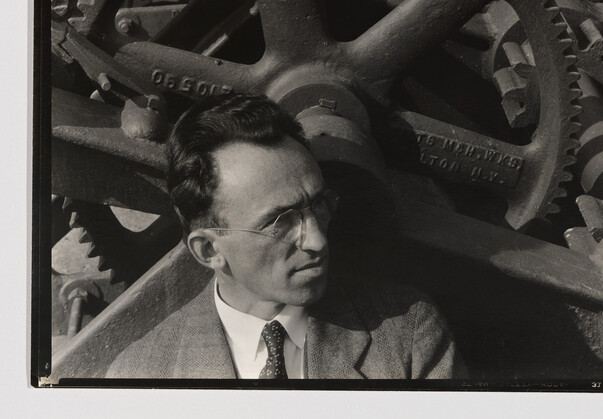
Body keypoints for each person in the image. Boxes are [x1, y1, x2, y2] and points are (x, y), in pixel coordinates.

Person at [107, 93, 466, 379]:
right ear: (208, 250)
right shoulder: (138, 376)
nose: (317, 241)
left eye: (319, 204)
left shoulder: (408, 334)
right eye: (280, 222)